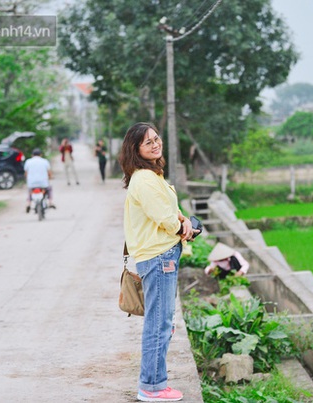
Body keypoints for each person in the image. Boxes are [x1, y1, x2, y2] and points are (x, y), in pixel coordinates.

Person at [120, 122, 199, 402]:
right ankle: (152, 386)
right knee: (158, 323)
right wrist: (183, 229)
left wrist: (185, 220)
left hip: (160, 255)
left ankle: (153, 383)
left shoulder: (151, 175)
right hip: (158, 257)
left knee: (163, 321)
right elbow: (164, 218)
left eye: (156, 139)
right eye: (147, 142)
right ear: (136, 150)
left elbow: (171, 211)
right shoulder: (144, 178)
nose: (155, 144)